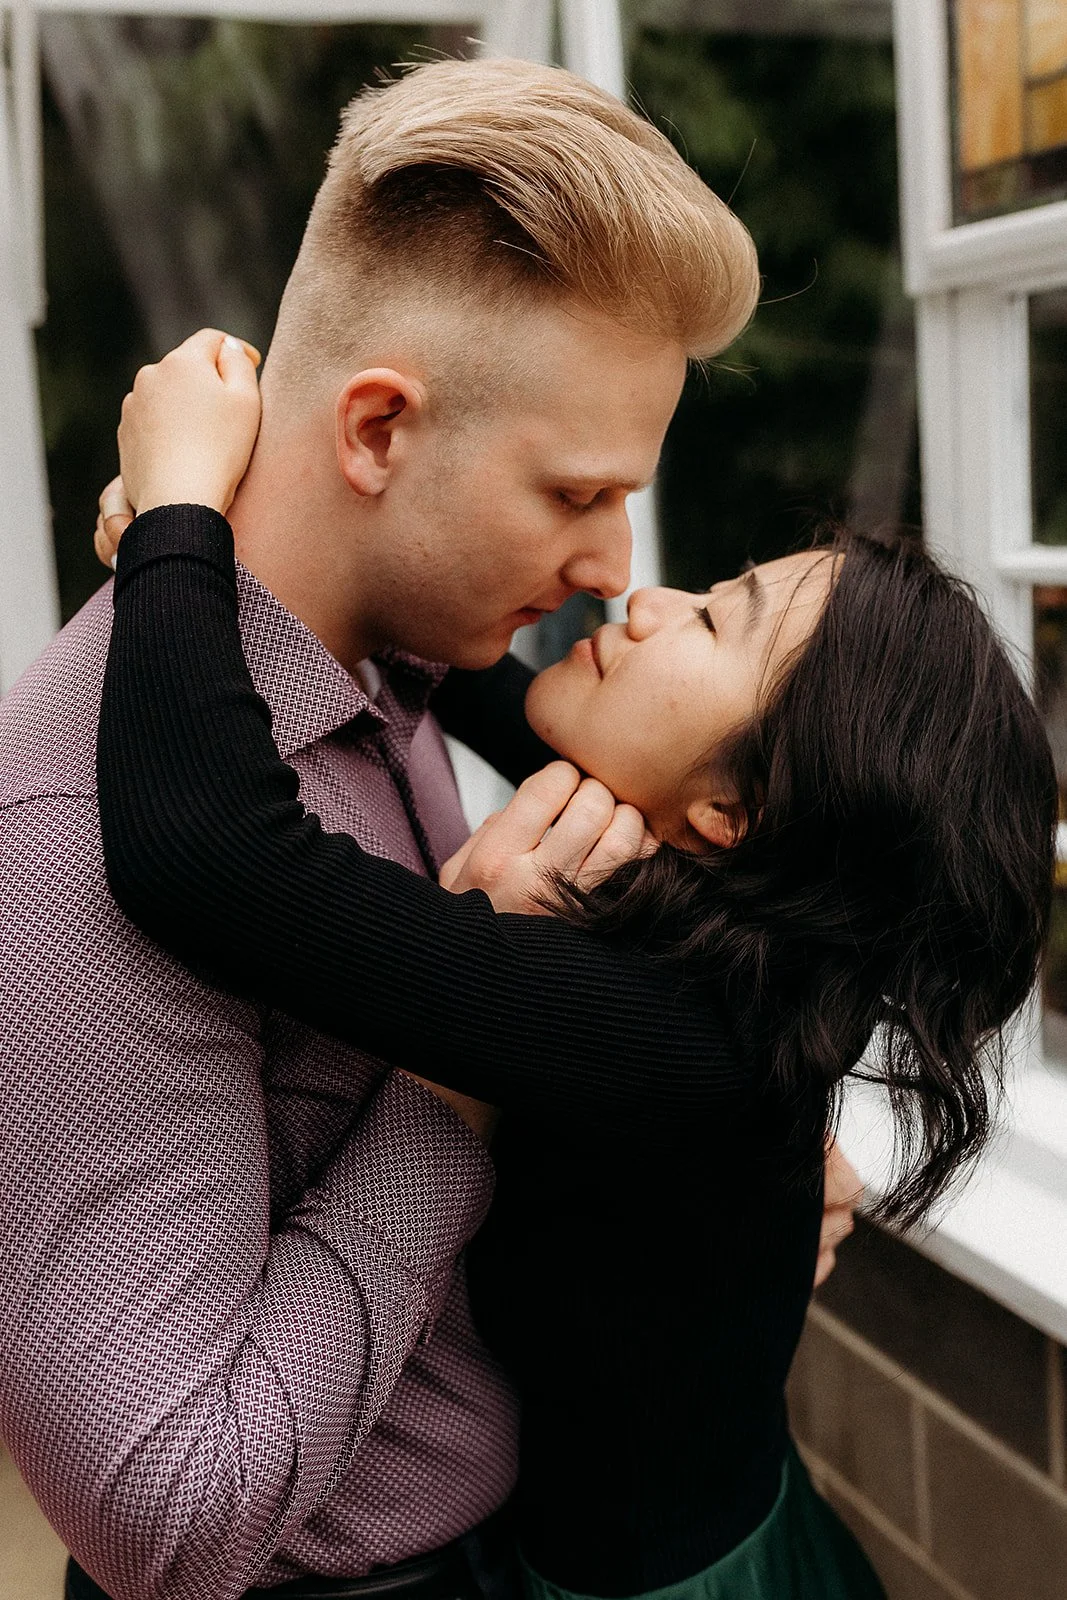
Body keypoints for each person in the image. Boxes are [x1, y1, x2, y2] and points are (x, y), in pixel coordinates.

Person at [88, 329, 1057, 1600]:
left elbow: (206, 854)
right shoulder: (737, 919)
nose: (639, 599)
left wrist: (177, 516)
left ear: (732, 814)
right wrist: (281, 522)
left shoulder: (662, 1026)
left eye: (709, 620)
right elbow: (457, 663)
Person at [0, 57, 774, 1600]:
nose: (614, 569)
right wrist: (462, 1083)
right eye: (575, 493)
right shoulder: (85, 813)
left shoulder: (401, 661)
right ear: (374, 432)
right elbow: (167, 1516)